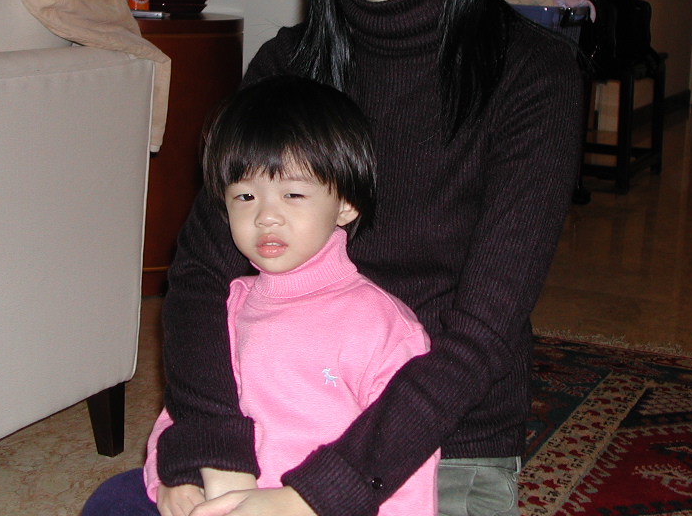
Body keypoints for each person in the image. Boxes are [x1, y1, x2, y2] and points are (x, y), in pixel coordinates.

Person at [85, 0, 583, 516]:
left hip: (444, 440)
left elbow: (480, 338)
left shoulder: (535, 78)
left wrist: (312, 499)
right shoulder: (286, 67)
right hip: (274, 411)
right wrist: (212, 450)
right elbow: (200, 274)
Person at [83, 76, 438, 516]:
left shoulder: (384, 326)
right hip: (221, 497)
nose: (267, 216)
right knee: (114, 498)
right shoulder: (228, 307)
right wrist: (176, 474)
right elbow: (184, 406)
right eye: (246, 196)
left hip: (315, 505)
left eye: (293, 194)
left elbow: (404, 455)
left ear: (345, 204)